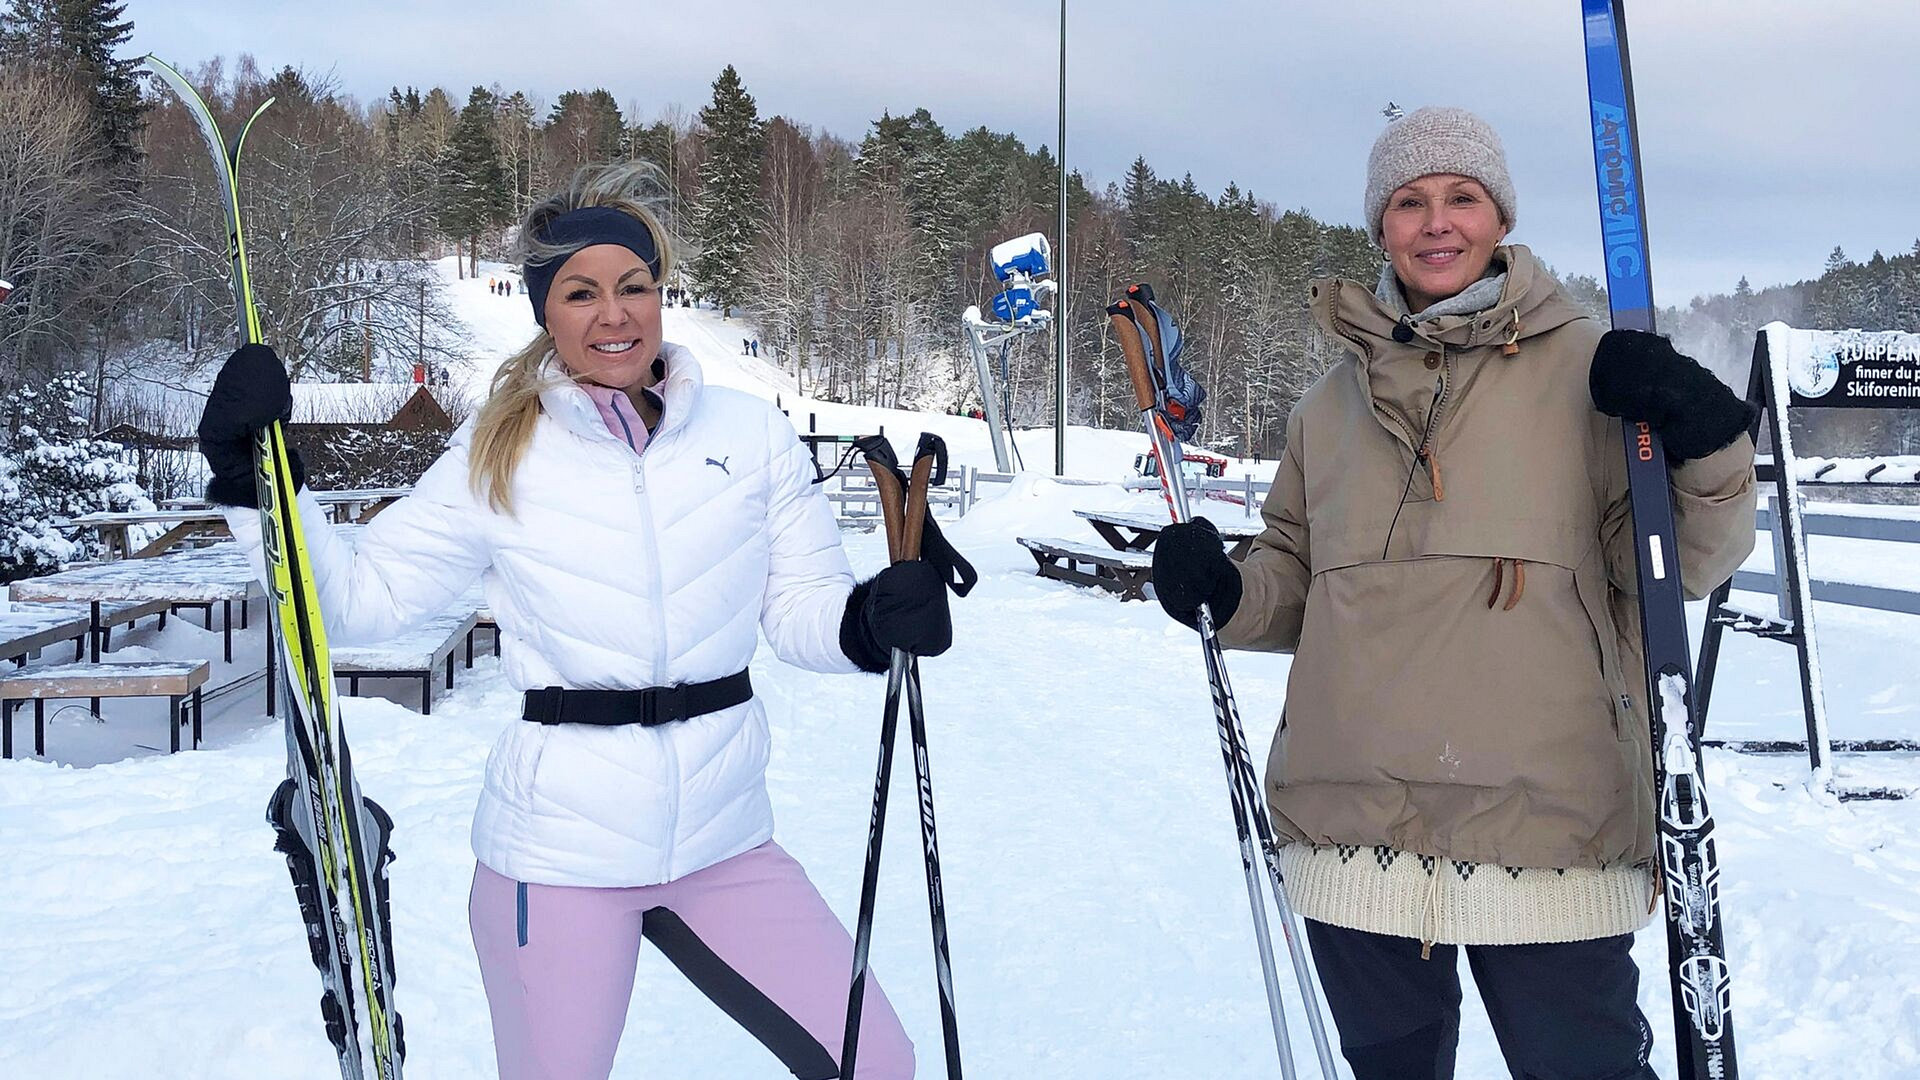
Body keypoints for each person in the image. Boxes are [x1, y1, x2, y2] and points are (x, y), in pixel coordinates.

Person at [198, 161, 951, 1080]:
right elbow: (355, 604)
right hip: (554, 860)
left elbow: (800, 610)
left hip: (723, 841)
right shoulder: (499, 449)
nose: (614, 314)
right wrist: (256, 488)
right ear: (546, 311)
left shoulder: (748, 436)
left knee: (878, 1064)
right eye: (582, 293)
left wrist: (871, 621)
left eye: (635, 286)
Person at [1149, 106, 1757, 1080]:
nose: (1437, 222)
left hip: (1548, 825)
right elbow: (1292, 582)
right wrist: (1221, 593)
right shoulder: (1327, 408)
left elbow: (1677, 568)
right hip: (1356, 830)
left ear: (1500, 215)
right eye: (1410, 202)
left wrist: (1711, 443)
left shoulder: (1592, 372)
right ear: (1381, 226)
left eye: (1461, 197)